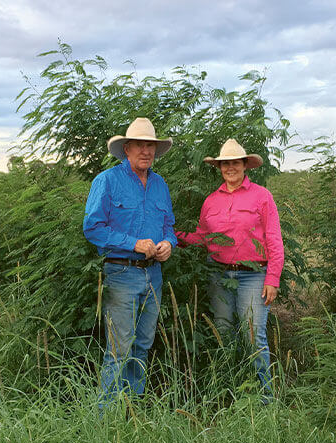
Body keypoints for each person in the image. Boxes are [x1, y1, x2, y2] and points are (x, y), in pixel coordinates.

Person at [175, 138, 284, 400]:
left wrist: (273, 277)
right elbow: (203, 238)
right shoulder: (211, 201)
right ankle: (230, 392)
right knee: (223, 334)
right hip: (218, 274)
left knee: (253, 337)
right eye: (225, 164)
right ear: (219, 168)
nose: (230, 168)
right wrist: (174, 235)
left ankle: (266, 399)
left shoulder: (262, 196)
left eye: (235, 162)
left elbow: (274, 239)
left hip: (253, 275)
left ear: (245, 165)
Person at [83, 117, 177, 408]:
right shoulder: (107, 181)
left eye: (150, 146)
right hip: (121, 273)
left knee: (143, 345)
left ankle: (132, 409)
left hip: (154, 276)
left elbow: (169, 227)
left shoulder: (160, 185)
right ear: (127, 148)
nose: (145, 151)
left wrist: (168, 245)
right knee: (119, 349)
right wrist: (133, 243)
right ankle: (105, 417)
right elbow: (92, 227)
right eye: (139, 145)